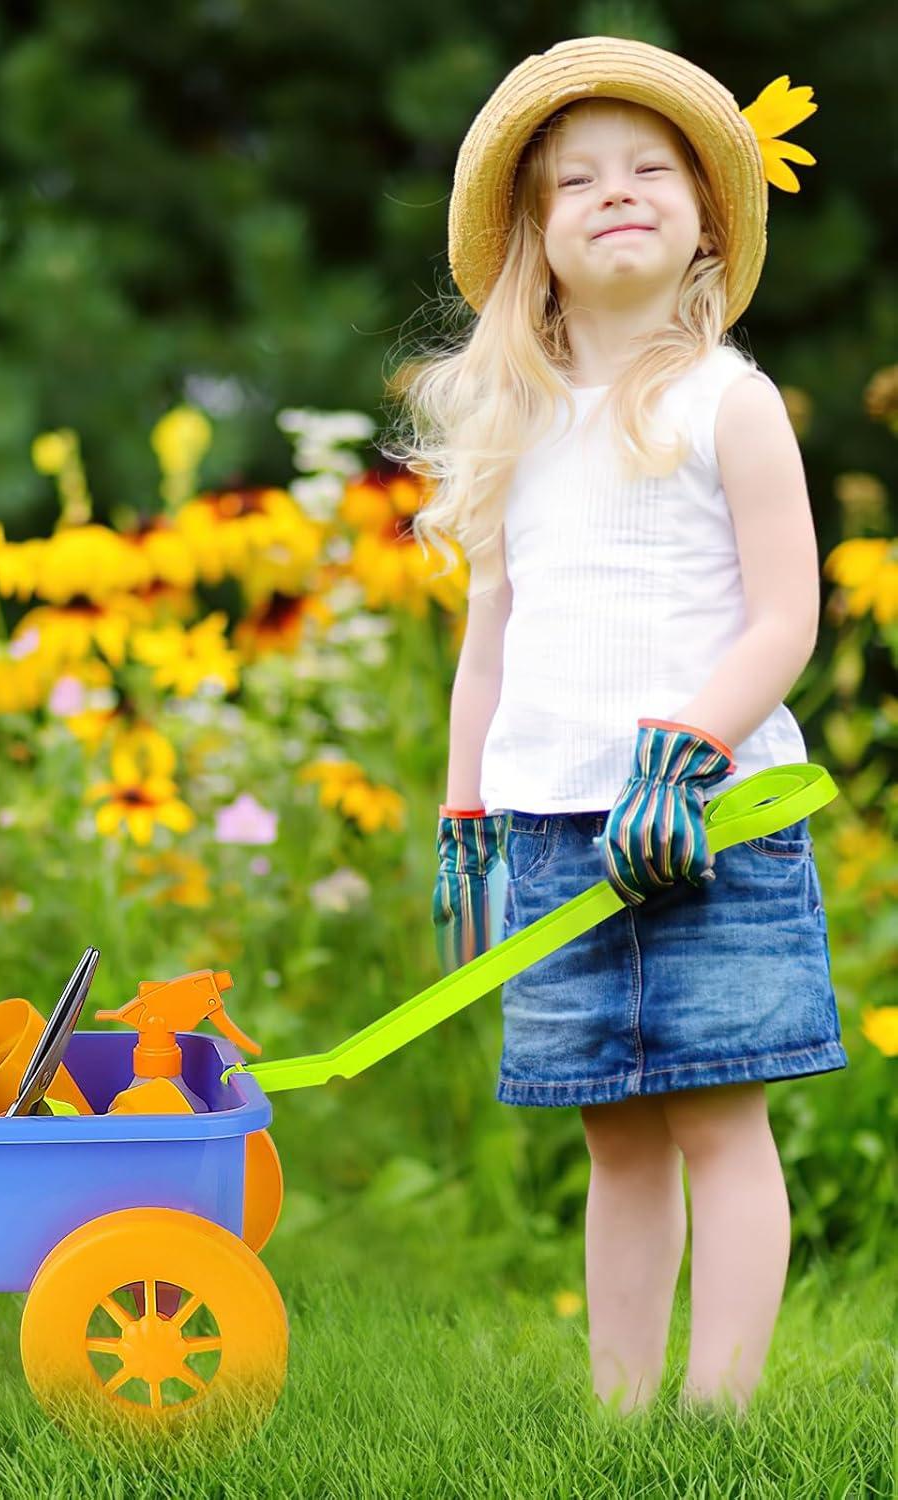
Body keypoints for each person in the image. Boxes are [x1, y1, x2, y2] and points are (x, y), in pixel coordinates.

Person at [389, 37, 846, 1420]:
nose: (617, 191)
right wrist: (467, 815)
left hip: (708, 827)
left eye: (652, 168)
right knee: (618, 1140)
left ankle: (717, 1415)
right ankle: (620, 1416)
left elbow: (787, 619)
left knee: (719, 1118)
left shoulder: (732, 403)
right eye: (576, 178)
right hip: (552, 834)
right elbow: (491, 650)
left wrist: (683, 747)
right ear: (533, 235)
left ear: (709, 215)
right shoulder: (513, 426)